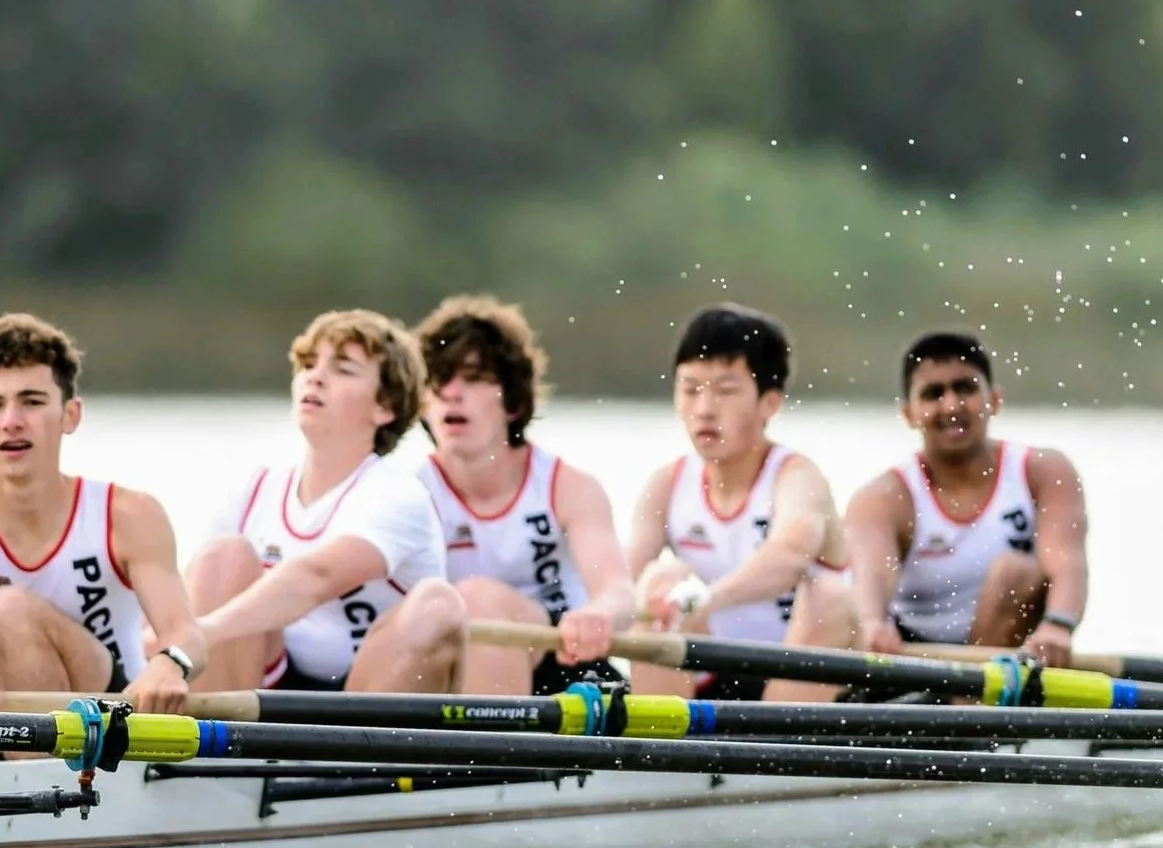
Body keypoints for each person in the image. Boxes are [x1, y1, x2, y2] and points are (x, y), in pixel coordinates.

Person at [0, 314, 206, 717]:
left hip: (112, 715)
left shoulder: (128, 515)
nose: (11, 421)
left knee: (6, 608)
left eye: (31, 401)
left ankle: (43, 773)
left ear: (71, 415)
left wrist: (172, 663)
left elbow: (185, 633)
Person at [187, 309, 463, 695]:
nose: (314, 377)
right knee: (222, 558)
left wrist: (205, 631)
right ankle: (212, 750)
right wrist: (165, 644)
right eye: (308, 364)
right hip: (271, 685)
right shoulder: (256, 488)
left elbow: (317, 577)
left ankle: (361, 755)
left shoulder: (397, 494)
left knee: (438, 604)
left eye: (343, 369)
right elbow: (189, 600)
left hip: (367, 697)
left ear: (384, 407)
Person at [626, 304, 853, 701]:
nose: (704, 409)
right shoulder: (666, 484)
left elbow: (787, 559)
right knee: (660, 582)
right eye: (690, 388)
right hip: (715, 676)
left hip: (805, 678)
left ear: (770, 403)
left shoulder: (799, 478)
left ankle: (778, 753)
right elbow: (620, 582)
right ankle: (660, 753)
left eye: (726, 391)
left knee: (830, 596)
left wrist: (706, 599)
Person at [412, 296, 636, 695]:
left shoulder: (568, 487)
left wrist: (598, 613)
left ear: (514, 402)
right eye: (439, 379)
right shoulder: (410, 494)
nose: (451, 393)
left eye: (474, 377)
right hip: (453, 667)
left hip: (565, 663)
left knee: (477, 598)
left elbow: (618, 592)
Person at [845, 331, 1088, 667]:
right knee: (829, 596)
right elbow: (871, 577)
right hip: (911, 656)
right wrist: (872, 625)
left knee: (1017, 574)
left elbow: (1066, 562)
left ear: (995, 401)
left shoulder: (1044, 471)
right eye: (933, 394)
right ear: (909, 414)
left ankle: (970, 708)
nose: (951, 406)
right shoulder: (884, 496)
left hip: (1011, 650)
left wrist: (1058, 626)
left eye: (965, 388)